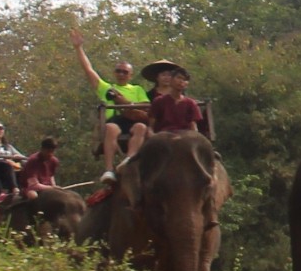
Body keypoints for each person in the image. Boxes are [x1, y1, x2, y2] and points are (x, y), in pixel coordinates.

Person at [70, 26, 150, 183]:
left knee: (141, 127)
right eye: (118, 71)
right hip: (114, 121)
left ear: (130, 75)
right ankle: (108, 170)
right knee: (111, 129)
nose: (121, 74)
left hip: (132, 120)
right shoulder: (107, 88)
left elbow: (145, 106)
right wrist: (78, 48)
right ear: (115, 73)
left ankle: (129, 160)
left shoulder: (137, 89)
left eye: (125, 72)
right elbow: (88, 70)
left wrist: (128, 104)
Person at [148, 65, 205, 133]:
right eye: (179, 78)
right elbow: (151, 126)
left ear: (187, 84)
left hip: (185, 136)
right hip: (163, 136)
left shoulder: (191, 103)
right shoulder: (158, 101)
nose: (181, 81)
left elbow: (193, 127)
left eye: (184, 79)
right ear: (171, 80)